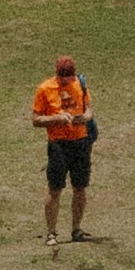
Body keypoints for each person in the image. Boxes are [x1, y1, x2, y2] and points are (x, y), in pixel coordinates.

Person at [32, 54, 95, 241]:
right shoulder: (45, 88)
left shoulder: (80, 84)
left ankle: (77, 229)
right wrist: (56, 119)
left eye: (70, 77)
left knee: (80, 187)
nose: (67, 81)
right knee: (55, 188)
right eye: (63, 77)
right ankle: (51, 232)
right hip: (58, 144)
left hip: (80, 141)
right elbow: (36, 119)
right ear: (57, 74)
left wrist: (85, 117)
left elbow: (89, 109)